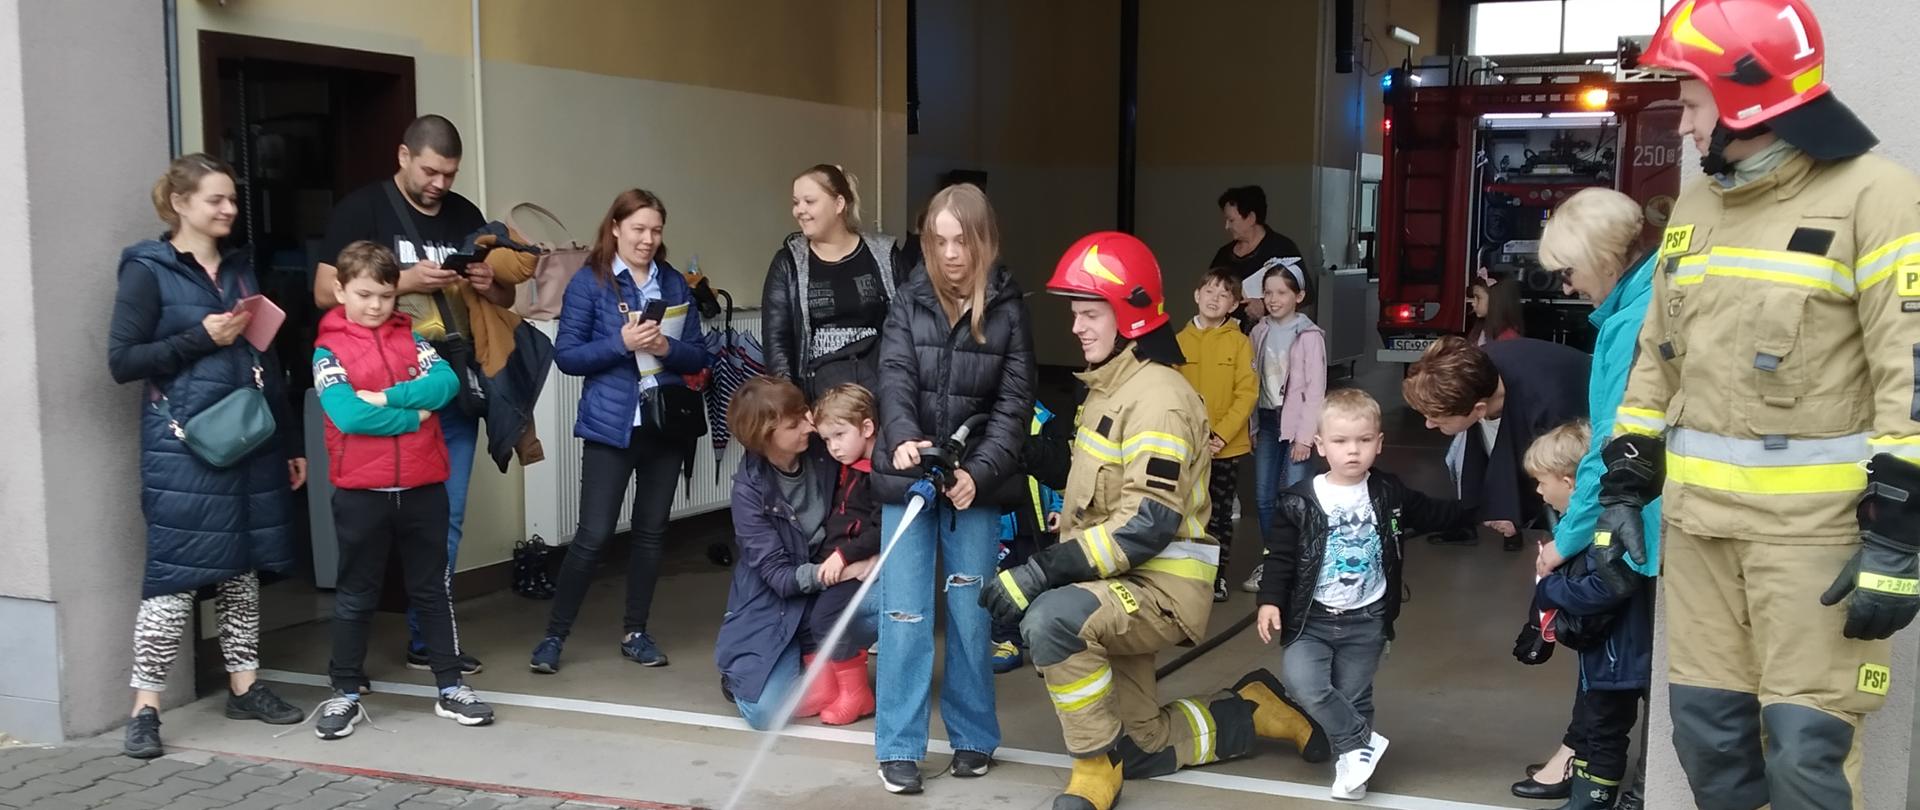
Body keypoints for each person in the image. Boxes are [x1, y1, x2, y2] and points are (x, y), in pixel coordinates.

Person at [1603, 2, 1920, 806]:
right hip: (1701, 534)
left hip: (1814, 551)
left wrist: (1899, 539)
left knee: (1808, 757)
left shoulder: (1878, 200)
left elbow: (1911, 377)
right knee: (1710, 745)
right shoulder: (1704, 206)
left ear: (1749, 98)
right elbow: (1656, 361)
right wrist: (1623, 488)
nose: (1681, 126)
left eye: (1692, 102)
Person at [981, 231, 1329, 810]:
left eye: (1090, 313)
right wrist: (1018, 451)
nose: (1077, 327)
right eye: (1076, 313)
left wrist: (1041, 572)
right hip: (1113, 581)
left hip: (1158, 586)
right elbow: (1093, 483)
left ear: (1131, 314)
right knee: (1145, 746)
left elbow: (1146, 524)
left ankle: (1094, 764)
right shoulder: (1108, 388)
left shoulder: (1159, 399)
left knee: (1049, 621)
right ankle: (1252, 710)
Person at [109, 153, 308, 758]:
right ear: (180, 203)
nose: (229, 209)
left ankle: (244, 686)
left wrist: (291, 442)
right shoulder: (148, 269)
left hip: (250, 439)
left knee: (242, 568)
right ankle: (145, 707)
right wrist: (201, 338)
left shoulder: (242, 271)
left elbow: (267, 360)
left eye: (231, 199)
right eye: (215, 200)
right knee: (173, 577)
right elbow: (122, 361)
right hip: (184, 450)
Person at [313, 114, 512, 674]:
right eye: (431, 171)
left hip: (448, 384)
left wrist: (486, 282)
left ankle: (429, 642)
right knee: (371, 531)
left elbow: (503, 290)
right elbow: (324, 291)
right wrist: (405, 281)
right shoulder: (361, 209)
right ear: (403, 155)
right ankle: (350, 666)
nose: (440, 184)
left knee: (444, 520)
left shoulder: (465, 215)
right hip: (375, 395)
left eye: (450, 174)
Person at [869, 182, 1034, 794]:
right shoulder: (906, 300)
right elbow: (892, 379)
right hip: (908, 477)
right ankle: (899, 746)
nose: (950, 252)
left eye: (960, 239)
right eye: (938, 241)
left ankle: (971, 738)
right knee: (905, 614)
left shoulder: (1011, 307)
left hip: (975, 486)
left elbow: (1014, 407)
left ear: (982, 237)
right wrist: (906, 439)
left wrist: (978, 474)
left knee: (970, 615)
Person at [1510, 187, 1663, 803]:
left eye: (1569, 271)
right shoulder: (1642, 304)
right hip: (1649, 521)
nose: (1568, 286)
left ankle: (1631, 786)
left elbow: (1614, 446)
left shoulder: (1633, 322)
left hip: (1639, 524)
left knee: (1625, 670)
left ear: (1602, 256)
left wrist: (1565, 540)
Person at [310, 241, 496, 738]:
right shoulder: (328, 348)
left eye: (386, 295)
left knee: (433, 591)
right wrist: (412, 416)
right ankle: (345, 692)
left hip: (421, 487)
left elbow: (447, 387)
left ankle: (451, 686)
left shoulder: (414, 339)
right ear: (340, 290)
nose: (376, 306)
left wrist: (387, 398)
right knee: (356, 595)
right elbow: (347, 414)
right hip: (361, 493)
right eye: (365, 294)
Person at [1254, 388, 1472, 801]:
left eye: (1363, 440)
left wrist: (1485, 507)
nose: (1352, 451)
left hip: (1366, 618)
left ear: (1379, 442)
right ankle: (1360, 743)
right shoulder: (1299, 501)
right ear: (1320, 444)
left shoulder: (1389, 492)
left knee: (1354, 695)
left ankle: (1353, 770)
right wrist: (1268, 600)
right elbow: (1281, 558)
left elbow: (1434, 513)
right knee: (1305, 685)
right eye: (1339, 441)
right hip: (1311, 619)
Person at [529, 189, 707, 673]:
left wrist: (669, 350)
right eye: (638, 230)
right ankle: (553, 637)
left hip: (665, 425)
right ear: (615, 228)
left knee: (651, 534)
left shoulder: (673, 283)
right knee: (593, 535)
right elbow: (566, 356)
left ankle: (636, 631)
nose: (648, 240)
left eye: (655, 231)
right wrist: (620, 342)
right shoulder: (590, 283)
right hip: (612, 426)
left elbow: (699, 354)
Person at [715, 376, 879, 730]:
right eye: (795, 423)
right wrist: (845, 567)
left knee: (884, 601)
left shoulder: (824, 449)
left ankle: (839, 676)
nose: (811, 424)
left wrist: (868, 552)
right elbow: (778, 577)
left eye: (806, 412)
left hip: (828, 588)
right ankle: (748, 676)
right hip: (777, 604)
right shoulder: (749, 491)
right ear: (766, 438)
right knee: (764, 714)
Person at [1524, 421, 1653, 810]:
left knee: (1603, 730)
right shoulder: (1583, 530)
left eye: (1542, 481)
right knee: (1599, 727)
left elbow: (1604, 589)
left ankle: (1592, 801)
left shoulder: (1604, 531)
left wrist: (1547, 587)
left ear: (1570, 482)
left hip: (1616, 660)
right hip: (1612, 657)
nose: (1538, 490)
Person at [1402, 336, 1589, 552]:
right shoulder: (1472, 369)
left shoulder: (1551, 405)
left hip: (1578, 406)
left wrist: (1563, 546)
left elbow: (1571, 482)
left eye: (1437, 419)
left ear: (1479, 410)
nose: (1428, 424)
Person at [763, 164, 907, 400]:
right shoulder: (788, 262)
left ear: (839, 204)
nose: (799, 210)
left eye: (809, 201)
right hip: (817, 397)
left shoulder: (885, 255)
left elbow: (908, 325)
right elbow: (777, 342)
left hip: (881, 391)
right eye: (795, 202)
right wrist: (792, 405)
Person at [1177, 268, 1260, 602]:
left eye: (1224, 294)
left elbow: (1247, 394)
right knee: (1181, 512)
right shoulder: (1178, 342)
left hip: (1225, 448)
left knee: (1219, 513)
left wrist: (1221, 436)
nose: (1214, 298)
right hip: (1185, 446)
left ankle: (1216, 577)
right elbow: (1169, 392)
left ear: (1234, 305)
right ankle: (1182, 578)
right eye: (1208, 291)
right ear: (1196, 295)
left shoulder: (1240, 344)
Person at [805, 383, 884, 724]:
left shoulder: (879, 474)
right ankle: (825, 687)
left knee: (825, 621)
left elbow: (883, 529)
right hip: (836, 561)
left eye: (839, 435)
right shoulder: (850, 464)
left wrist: (846, 556)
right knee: (810, 616)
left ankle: (856, 693)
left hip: (851, 566)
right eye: (826, 439)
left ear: (867, 428)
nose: (833, 447)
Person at [1245, 265, 1326, 590]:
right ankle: (1273, 560)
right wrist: (1251, 425)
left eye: (1281, 292)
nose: (1273, 299)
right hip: (1266, 420)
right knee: (1264, 497)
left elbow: (1315, 390)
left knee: (1295, 497)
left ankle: (1300, 563)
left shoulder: (1309, 336)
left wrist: (1305, 437)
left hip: (1295, 426)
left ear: (1299, 296)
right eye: (1268, 293)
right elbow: (1251, 382)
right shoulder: (1258, 332)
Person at [990, 402, 1065, 674]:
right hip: (1002, 524)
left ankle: (1043, 647)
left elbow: (1061, 470)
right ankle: (1008, 641)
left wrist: (1058, 507)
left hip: (1038, 521)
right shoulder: (987, 415)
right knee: (1005, 584)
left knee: (1043, 584)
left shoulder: (1046, 420)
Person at [1211, 185, 1306, 325]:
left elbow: (1306, 294)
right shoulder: (1224, 255)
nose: (1227, 226)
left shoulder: (1281, 248)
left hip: (1271, 335)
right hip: (1229, 336)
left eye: (1231, 220)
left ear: (1251, 218)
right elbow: (1210, 289)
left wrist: (1264, 305)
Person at [1465, 269, 1524, 346]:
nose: (1473, 303)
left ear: (1496, 300)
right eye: (1473, 297)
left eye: (1478, 298)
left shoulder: (1508, 338)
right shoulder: (1480, 328)